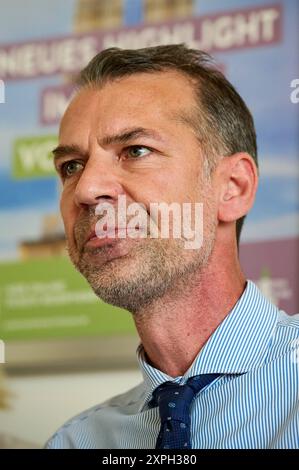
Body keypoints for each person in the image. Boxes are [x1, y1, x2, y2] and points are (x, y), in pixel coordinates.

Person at [46, 44, 299, 449]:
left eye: (136, 151)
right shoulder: (77, 441)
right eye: (71, 166)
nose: (87, 189)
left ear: (233, 188)